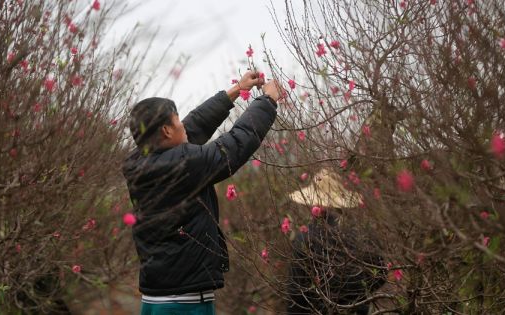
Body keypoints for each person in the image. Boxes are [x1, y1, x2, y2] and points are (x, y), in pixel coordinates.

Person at [122, 71, 283, 315]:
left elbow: (193, 127)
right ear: (166, 131)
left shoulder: (139, 162)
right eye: (177, 121)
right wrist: (267, 101)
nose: (183, 125)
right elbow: (235, 145)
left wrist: (235, 91)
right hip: (185, 303)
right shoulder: (184, 164)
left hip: (155, 300)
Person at [286, 168, 386, 315]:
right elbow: (380, 272)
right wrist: (357, 294)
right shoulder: (361, 234)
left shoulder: (304, 239)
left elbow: (296, 296)